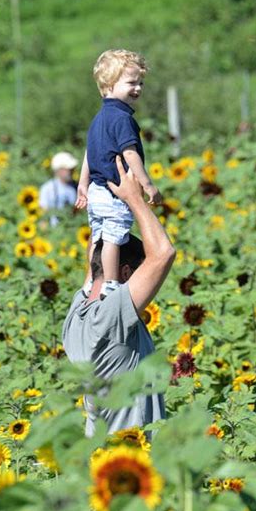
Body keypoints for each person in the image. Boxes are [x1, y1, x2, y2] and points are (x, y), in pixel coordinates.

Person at [62, 156, 175, 437]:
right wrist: (134, 199)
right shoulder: (111, 316)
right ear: (126, 272)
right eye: (138, 273)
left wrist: (96, 182)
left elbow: (96, 258)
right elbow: (162, 254)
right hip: (129, 458)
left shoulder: (78, 309)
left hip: (100, 456)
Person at [75, 49, 162, 299]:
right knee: (113, 237)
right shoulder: (122, 119)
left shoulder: (98, 119)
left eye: (140, 82)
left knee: (98, 236)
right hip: (114, 190)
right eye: (132, 82)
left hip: (96, 188)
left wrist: (83, 183)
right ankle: (110, 283)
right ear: (110, 85)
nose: (138, 88)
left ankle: (91, 280)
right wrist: (147, 185)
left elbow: (88, 154)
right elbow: (130, 154)